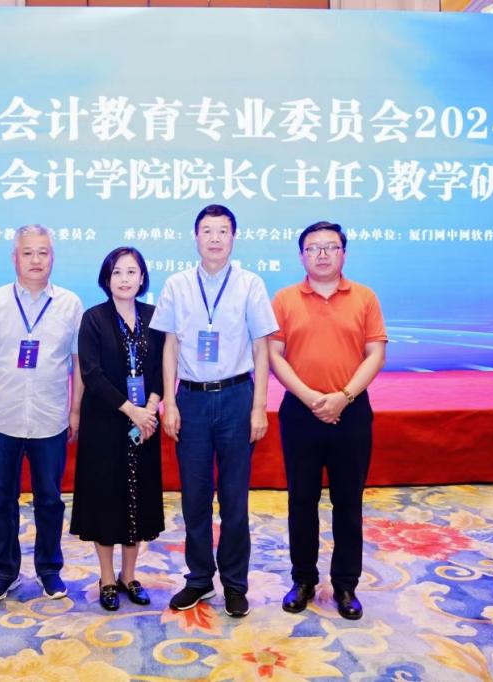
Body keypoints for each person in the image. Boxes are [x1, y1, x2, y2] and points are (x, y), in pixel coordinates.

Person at [150, 204, 278, 618]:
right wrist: (169, 402)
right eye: (208, 230)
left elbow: (261, 347)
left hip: (237, 396)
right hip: (191, 399)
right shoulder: (177, 284)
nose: (215, 238)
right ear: (196, 237)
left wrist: (259, 407)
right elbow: (169, 346)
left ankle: (235, 584)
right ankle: (200, 578)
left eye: (223, 230)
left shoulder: (250, 284)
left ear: (234, 237)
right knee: (195, 496)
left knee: (235, 498)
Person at [269, 221, 387, 620]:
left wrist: (344, 396)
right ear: (302, 255)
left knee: (348, 502)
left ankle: (345, 584)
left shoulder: (364, 297)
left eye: (330, 247)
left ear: (343, 253)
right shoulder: (285, 299)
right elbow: (275, 355)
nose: (322, 254)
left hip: (351, 412)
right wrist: (309, 397)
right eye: (313, 248)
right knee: (301, 501)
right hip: (300, 412)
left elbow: (375, 354)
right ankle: (303, 579)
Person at [0, 224, 84, 603]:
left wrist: (75, 411)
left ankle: (49, 569)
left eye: (43, 252)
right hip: (2, 417)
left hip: (50, 418)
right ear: (14, 258)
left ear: (53, 258)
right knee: (2, 500)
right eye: (28, 252)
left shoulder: (70, 304)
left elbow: (79, 363)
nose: (36, 260)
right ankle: (5, 572)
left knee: (49, 499)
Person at [70, 246, 165, 611]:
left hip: (145, 423)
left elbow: (163, 367)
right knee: (105, 498)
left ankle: (129, 574)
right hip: (105, 422)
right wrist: (132, 411)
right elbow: (91, 374)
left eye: (131, 272)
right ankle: (107, 577)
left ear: (142, 278)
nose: (124, 279)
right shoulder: (93, 318)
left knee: (139, 497)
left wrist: (150, 409)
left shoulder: (154, 317)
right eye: (117, 272)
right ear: (106, 279)